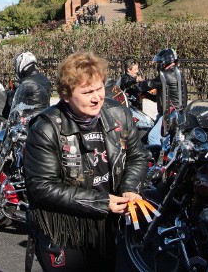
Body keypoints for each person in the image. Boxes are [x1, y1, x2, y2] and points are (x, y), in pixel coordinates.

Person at [24, 52, 148, 272]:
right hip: (64, 230)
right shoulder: (46, 128)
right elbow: (41, 187)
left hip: (107, 226)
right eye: (87, 92)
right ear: (66, 95)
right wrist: (101, 201)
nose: (97, 97)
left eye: (99, 88)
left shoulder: (120, 113)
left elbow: (137, 156)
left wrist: (129, 188)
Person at [145, 48, 188, 145]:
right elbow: (164, 97)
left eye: (159, 62)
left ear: (165, 61)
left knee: (152, 136)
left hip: (169, 114)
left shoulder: (166, 75)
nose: (158, 64)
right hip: (173, 113)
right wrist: (146, 95)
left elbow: (149, 84)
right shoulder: (176, 73)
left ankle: (157, 159)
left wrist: (135, 84)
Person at [10, 52, 52, 119]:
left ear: (22, 63)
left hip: (29, 121)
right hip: (45, 117)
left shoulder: (26, 83)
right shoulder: (45, 79)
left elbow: (14, 105)